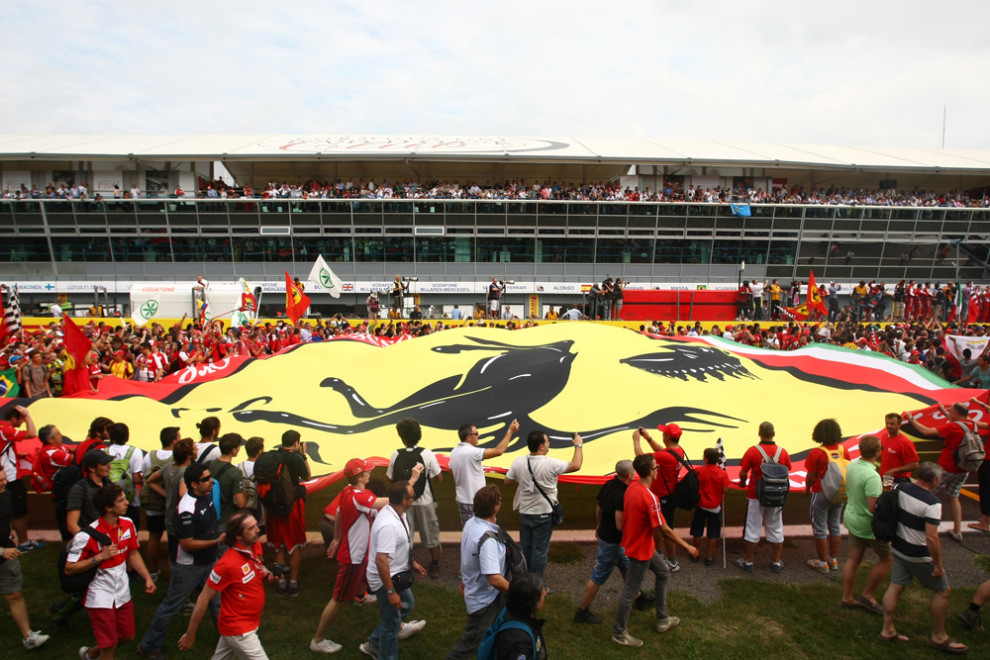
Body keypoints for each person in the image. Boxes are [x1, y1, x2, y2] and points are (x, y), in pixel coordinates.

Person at [310, 458, 407, 654]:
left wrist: (337, 539)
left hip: (359, 554)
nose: (370, 474)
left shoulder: (348, 492)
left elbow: (338, 515)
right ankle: (318, 639)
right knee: (338, 599)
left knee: (382, 584)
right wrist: (408, 488)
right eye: (367, 471)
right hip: (354, 557)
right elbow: (389, 501)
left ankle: (399, 624)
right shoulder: (360, 497)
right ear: (361, 476)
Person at [611, 453, 698, 648]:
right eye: (656, 467)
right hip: (640, 550)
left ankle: (662, 618)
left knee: (663, 573)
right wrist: (687, 546)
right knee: (630, 590)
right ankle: (619, 632)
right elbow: (665, 530)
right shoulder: (650, 497)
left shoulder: (632, 487)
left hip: (641, 545)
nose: (658, 469)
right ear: (650, 472)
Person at [879, 462, 967, 652]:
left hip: (899, 546)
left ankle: (887, 630)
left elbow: (886, 490)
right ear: (934, 480)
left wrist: (889, 472)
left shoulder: (903, 487)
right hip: (918, 554)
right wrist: (938, 565)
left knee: (895, 587)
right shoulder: (932, 503)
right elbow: (931, 537)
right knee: (943, 590)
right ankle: (939, 636)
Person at [138, 462, 222, 660]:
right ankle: (149, 645)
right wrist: (216, 541)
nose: (211, 481)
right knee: (172, 606)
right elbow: (187, 544)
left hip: (208, 561)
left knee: (218, 601)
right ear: (193, 484)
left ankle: (228, 639)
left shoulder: (206, 496)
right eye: (206, 479)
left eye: (210, 477)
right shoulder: (186, 509)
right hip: (188, 567)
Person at [67, 484, 156, 660]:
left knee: (127, 636)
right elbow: (69, 568)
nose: (127, 503)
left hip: (122, 592)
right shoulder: (86, 536)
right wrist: (99, 557)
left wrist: (147, 577)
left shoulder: (128, 524)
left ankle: (90, 653)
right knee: (109, 645)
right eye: (121, 500)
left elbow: (133, 552)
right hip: (99, 596)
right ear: (108, 508)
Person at [178, 513, 272, 659]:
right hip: (238, 630)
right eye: (251, 528)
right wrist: (190, 635)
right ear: (239, 536)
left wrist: (268, 575)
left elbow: (258, 566)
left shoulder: (254, 545)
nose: (258, 530)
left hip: (248, 623)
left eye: (256, 525)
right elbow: (203, 598)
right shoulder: (226, 565)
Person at [574, 459, 653, 624]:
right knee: (599, 574)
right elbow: (620, 523)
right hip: (613, 540)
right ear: (628, 475)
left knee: (625, 565)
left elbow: (599, 507)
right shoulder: (623, 494)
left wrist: (599, 523)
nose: (635, 473)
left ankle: (638, 597)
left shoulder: (609, 484)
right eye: (633, 471)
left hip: (608, 535)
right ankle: (582, 611)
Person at [359, 480, 428, 659]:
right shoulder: (388, 525)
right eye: (413, 496)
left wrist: (412, 562)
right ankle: (383, 652)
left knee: (407, 604)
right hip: (385, 580)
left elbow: (400, 544)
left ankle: (373, 642)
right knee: (391, 625)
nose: (415, 499)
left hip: (395, 573)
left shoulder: (399, 513)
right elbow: (381, 560)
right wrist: (390, 592)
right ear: (404, 500)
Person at [904, 401, 988, 542]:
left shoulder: (953, 427)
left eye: (951, 411)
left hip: (947, 468)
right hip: (963, 468)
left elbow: (927, 431)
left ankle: (921, 528)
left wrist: (911, 419)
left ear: (957, 413)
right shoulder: (971, 424)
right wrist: (943, 411)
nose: (949, 414)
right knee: (954, 497)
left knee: (926, 495)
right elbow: (954, 422)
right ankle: (957, 530)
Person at [505, 429, 583, 578]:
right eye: (547, 441)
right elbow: (576, 465)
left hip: (525, 513)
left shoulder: (519, 461)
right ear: (541, 446)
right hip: (543, 515)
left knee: (526, 550)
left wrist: (523, 479)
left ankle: (524, 580)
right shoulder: (551, 464)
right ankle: (537, 585)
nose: (549, 444)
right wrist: (578, 445)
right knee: (539, 552)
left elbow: (508, 481)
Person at [446, 485, 511, 659]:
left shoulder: (471, 523)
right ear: (495, 507)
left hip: (480, 593)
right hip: (484, 601)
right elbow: (494, 579)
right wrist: (517, 592)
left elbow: (469, 556)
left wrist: (467, 579)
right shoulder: (487, 539)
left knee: (497, 633)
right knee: (467, 646)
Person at [839, 435, 891, 614]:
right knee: (886, 559)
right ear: (877, 453)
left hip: (852, 517)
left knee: (854, 558)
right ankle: (868, 595)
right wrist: (888, 498)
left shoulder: (852, 464)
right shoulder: (872, 476)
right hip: (868, 525)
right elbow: (873, 508)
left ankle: (847, 596)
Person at [386, 418, 443, 578]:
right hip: (425, 501)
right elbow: (439, 477)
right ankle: (435, 565)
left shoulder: (395, 454)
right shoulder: (427, 453)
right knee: (431, 533)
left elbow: (391, 478)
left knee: (405, 535)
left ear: (402, 437)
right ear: (419, 435)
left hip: (403, 503)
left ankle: (405, 565)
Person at [0, 470, 50, 650]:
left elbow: (5, 519)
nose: (4, 483)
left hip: (7, 552)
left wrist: (11, 533)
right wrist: (1, 551)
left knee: (14, 594)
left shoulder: (6, 495)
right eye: (0, 481)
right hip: (3, 552)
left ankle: (28, 637)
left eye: (5, 479)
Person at [736, 421, 792, 573]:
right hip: (777, 496)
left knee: (752, 528)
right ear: (773, 434)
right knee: (776, 528)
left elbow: (743, 472)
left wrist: (742, 483)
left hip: (755, 495)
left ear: (759, 433)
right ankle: (776, 561)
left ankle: (749, 561)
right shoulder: (783, 452)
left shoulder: (752, 451)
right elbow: (788, 470)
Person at [632, 423, 686, 571]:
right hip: (667, 495)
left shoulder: (666, 456)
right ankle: (659, 554)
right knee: (657, 525)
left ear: (668, 436)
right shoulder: (677, 451)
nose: (662, 435)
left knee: (666, 529)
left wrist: (636, 440)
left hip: (663, 497)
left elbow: (641, 459)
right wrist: (648, 438)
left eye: (664, 433)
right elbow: (663, 451)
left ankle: (672, 562)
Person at [449, 420, 519, 527]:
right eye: (476, 433)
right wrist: (510, 431)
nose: (479, 435)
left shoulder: (454, 452)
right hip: (476, 502)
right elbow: (499, 451)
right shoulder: (472, 452)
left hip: (461, 500)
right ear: (468, 437)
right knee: (486, 532)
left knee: (469, 532)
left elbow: (451, 472)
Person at [266, 429, 310, 595]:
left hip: (274, 506)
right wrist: (304, 455)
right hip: (293, 506)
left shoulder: (272, 457)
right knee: (295, 545)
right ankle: (293, 583)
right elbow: (307, 477)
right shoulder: (296, 458)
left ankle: (281, 582)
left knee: (279, 546)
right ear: (296, 443)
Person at [804, 418, 849, 574]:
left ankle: (822, 563)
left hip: (821, 492)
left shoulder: (816, 453)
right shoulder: (844, 450)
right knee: (835, 525)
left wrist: (807, 488)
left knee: (820, 527)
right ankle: (833, 559)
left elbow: (810, 475)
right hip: (840, 493)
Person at [140, 426, 177, 581]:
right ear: (174, 440)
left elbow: (143, 475)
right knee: (173, 539)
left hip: (153, 503)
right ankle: (173, 573)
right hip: (171, 504)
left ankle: (153, 572)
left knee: (153, 537)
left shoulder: (150, 455)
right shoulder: (177, 456)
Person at [0, 405, 37, 549]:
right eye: (22, 419)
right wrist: (27, 415)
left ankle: (9, 538)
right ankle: (24, 542)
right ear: (14, 419)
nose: (23, 422)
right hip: (9, 478)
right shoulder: (6, 429)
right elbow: (32, 434)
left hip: (4, 476)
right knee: (18, 510)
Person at [690, 448, 730, 567]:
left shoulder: (699, 471)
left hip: (701, 505)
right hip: (715, 507)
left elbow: (693, 484)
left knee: (697, 531)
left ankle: (695, 554)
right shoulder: (723, 474)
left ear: (705, 459)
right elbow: (726, 489)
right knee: (713, 533)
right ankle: (709, 557)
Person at [493, 574, 548, 660]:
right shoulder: (520, 644)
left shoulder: (512, 612)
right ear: (532, 602)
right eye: (542, 594)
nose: (545, 595)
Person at [34, 424, 73, 539]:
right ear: (50, 439)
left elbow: (73, 449)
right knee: (66, 519)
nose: (61, 435)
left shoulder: (57, 448)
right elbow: (77, 459)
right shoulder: (52, 454)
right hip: (62, 493)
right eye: (57, 434)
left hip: (63, 490)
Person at [105, 422, 144, 525]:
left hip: (108, 501)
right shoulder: (135, 452)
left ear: (111, 437)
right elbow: (136, 479)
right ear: (127, 436)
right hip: (130, 501)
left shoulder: (103, 451)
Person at [67, 450, 113, 536]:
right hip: (91, 538)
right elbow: (72, 525)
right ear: (92, 468)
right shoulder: (79, 489)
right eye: (104, 464)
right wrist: (90, 542)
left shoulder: (108, 483)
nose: (109, 466)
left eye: (108, 463)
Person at [209, 433, 247, 529]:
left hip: (208, 516)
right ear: (233, 450)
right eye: (239, 447)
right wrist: (246, 493)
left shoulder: (208, 465)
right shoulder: (235, 472)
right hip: (225, 519)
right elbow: (241, 503)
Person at [875, 412, 919, 485]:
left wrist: (894, 470)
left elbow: (915, 465)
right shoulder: (884, 436)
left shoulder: (906, 443)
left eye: (892, 424)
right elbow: (883, 453)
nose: (889, 426)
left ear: (899, 425)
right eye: (887, 423)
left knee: (891, 495)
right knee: (885, 494)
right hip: (886, 477)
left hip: (898, 480)